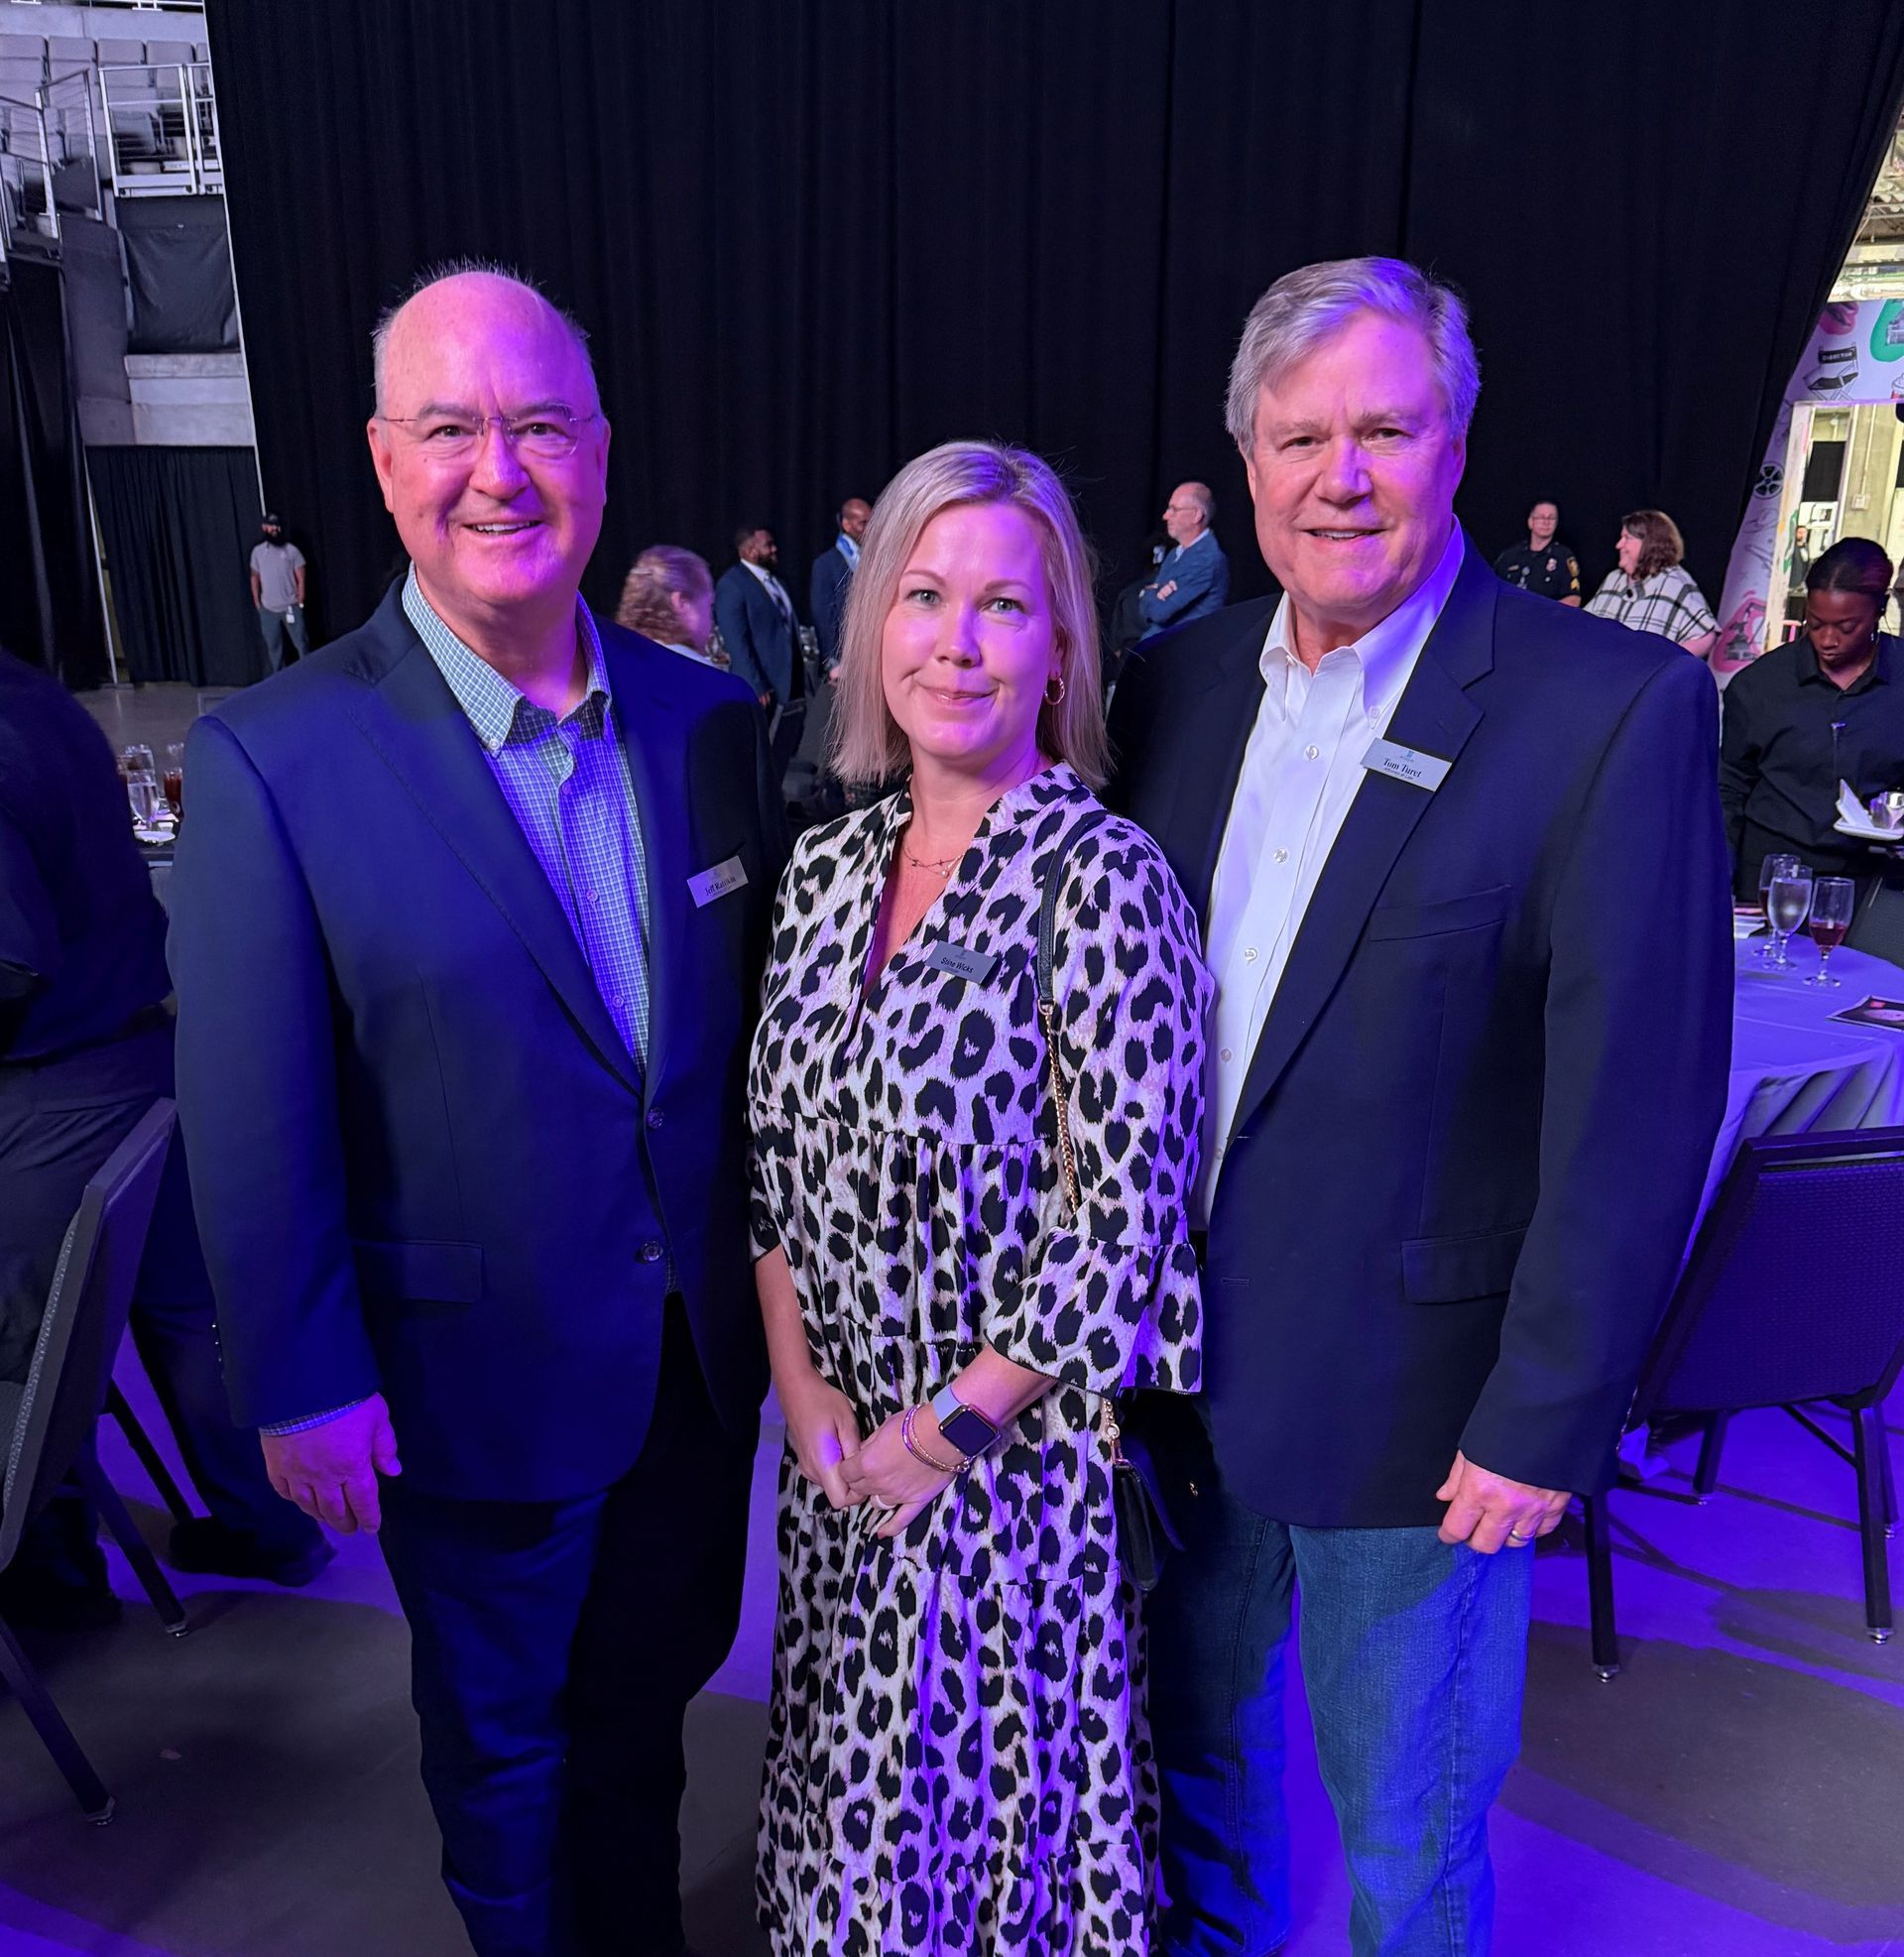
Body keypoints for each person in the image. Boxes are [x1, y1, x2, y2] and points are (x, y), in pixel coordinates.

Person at [1107, 257, 1731, 1956]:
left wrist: (1548, 1412)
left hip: (1421, 1422)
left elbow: (1640, 1107)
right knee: (1194, 1804)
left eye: (1386, 426)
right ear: (1246, 462)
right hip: (1169, 1394)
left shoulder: (1608, 709)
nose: (1343, 474)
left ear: (1455, 441)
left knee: (1406, 1852)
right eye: (1301, 435)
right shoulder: (1177, 685)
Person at [168, 263, 785, 1957]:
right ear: (383, 462)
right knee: (504, 1759)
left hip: (689, 1372)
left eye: (536, 424)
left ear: (597, 449)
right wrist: (299, 1374)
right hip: (464, 1383)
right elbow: (250, 1101)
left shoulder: (711, 722)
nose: (496, 469)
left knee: (645, 1718)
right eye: (451, 428)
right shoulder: (274, 758)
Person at [751, 439, 1213, 1953]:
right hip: (837, 1470)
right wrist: (801, 1382)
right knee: (846, 1825)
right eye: (926, 596)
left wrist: (941, 1433)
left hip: (1003, 1479)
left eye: (1002, 606)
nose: (956, 642)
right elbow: (766, 1162)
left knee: (991, 1851)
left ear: (1062, 641)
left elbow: (1125, 1226)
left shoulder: (1105, 878)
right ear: (870, 622)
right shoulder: (824, 871)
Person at [0, 648, 328, 1630]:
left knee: (31, 1351)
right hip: (143, 1051)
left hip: (54, 1085)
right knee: (189, 1319)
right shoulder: (31, 693)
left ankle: (51, 1578)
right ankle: (275, 1522)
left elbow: (8, 961)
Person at [1721, 537, 1904, 961]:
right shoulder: (1761, 685)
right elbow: (1728, 787)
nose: (1827, 640)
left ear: (1878, 611)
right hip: (1772, 875)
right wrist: (1720, 878)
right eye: (1815, 623)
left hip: (1875, 884)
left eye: (1845, 627)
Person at [717, 524, 806, 787]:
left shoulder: (775, 581)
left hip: (788, 681)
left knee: (782, 750)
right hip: (762, 687)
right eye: (768, 544)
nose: (774, 548)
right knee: (759, 756)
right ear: (751, 550)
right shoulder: (732, 584)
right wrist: (754, 682)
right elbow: (736, 638)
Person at [1585, 509, 1720, 657]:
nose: (1619, 545)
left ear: (1649, 543)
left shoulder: (1675, 583)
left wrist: (1667, 666)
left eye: (1627, 538)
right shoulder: (1614, 579)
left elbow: (1706, 636)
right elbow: (1584, 622)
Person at [1138, 480, 1231, 638]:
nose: (1166, 516)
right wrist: (1155, 594)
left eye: (1174, 510)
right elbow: (1146, 613)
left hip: (1184, 652)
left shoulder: (1206, 559)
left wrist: (1146, 593)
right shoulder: (1174, 554)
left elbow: (1159, 612)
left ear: (1196, 515)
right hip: (1160, 648)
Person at [615, 544, 725, 668]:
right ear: (681, 603)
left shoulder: (611, 661)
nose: (711, 621)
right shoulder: (702, 674)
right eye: (709, 606)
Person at [807, 495, 871, 673]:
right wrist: (833, 661)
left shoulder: (874, 560)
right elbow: (824, 616)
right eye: (864, 523)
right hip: (846, 660)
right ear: (846, 525)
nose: (871, 529)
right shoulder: (826, 565)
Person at [249, 514, 309, 673]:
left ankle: (308, 674)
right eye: (270, 525)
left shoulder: (292, 550)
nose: (274, 529)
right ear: (264, 528)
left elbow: (301, 576)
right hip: (268, 609)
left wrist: (300, 597)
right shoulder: (258, 552)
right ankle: (278, 679)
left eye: (276, 525)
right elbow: (255, 577)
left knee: (301, 644)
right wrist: (257, 601)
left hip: (290, 605)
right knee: (273, 647)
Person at [1492, 497, 1581, 604]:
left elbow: (1573, 599)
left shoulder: (1563, 556)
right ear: (1530, 522)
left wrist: (1543, 615)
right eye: (1541, 517)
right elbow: (1491, 589)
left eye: (1551, 518)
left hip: (1544, 619)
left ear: (1556, 523)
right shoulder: (1510, 556)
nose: (1546, 522)